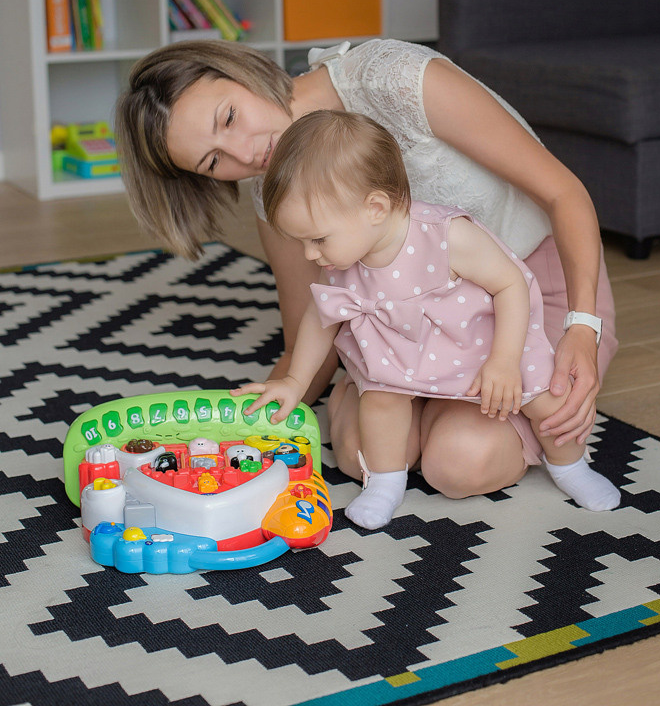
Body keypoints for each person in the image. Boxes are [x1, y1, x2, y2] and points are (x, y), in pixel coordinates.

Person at [114, 36, 618, 500]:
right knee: (366, 454)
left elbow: (563, 192)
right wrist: (238, 435)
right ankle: (418, 405)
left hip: (519, 298)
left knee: (460, 461)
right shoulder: (275, 192)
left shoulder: (395, 80)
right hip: (399, 328)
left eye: (228, 117)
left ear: (241, 72)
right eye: (213, 161)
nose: (246, 152)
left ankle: (452, 417)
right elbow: (310, 332)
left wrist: (583, 327)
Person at [231, 111, 620, 527]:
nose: (310, 254)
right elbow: (319, 317)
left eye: (317, 239)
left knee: (547, 399)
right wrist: (295, 380)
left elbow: (511, 286)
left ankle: (571, 466)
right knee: (381, 400)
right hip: (404, 351)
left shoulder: (446, 235)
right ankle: (384, 483)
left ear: (375, 207)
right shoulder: (344, 254)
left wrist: (504, 361)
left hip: (483, 343)